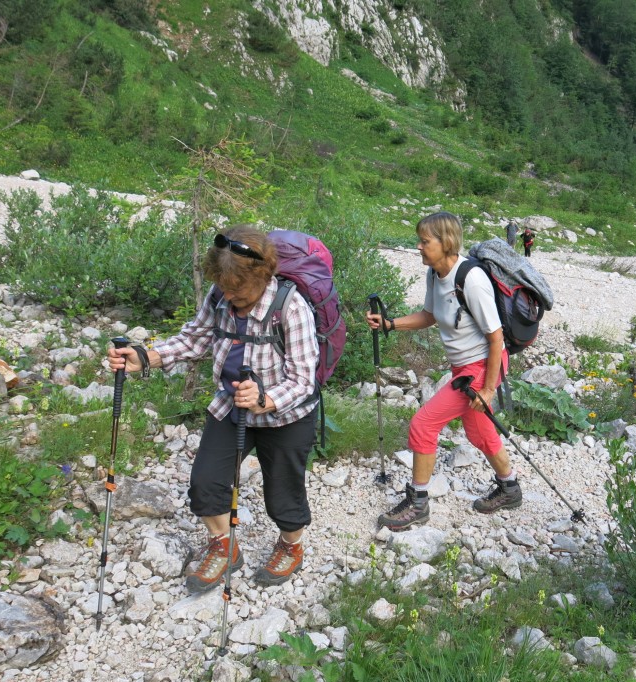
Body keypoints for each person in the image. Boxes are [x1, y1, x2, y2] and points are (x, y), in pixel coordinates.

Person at [108, 224, 320, 593]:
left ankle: (290, 545)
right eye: (224, 286)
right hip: (230, 405)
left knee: (283, 492)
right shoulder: (220, 294)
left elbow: (304, 379)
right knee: (205, 483)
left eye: (237, 289)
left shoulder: (290, 306)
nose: (230, 295)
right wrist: (146, 357)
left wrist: (264, 399)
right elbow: (194, 338)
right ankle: (225, 546)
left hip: (286, 415)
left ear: (263, 273)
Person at [365, 211, 521, 530]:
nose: (419, 247)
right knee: (479, 432)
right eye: (419, 241)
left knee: (423, 424)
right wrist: (391, 324)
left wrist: (488, 389)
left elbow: (496, 338)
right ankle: (510, 488)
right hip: (464, 366)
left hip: (482, 367)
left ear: (446, 241)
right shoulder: (435, 274)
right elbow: (430, 315)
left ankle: (418, 503)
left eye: (424, 241)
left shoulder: (472, 280)